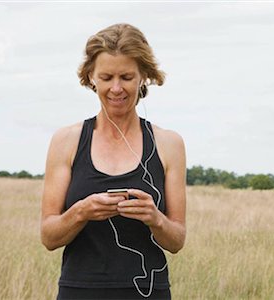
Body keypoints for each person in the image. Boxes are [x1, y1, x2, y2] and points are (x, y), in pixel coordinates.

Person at [40, 23, 187, 300]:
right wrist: (81, 212)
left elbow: (177, 241)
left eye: (127, 77)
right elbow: (49, 237)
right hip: (79, 291)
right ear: (90, 77)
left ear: (144, 76)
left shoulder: (169, 144)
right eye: (106, 77)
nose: (116, 88)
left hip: (148, 292)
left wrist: (155, 218)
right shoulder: (67, 141)